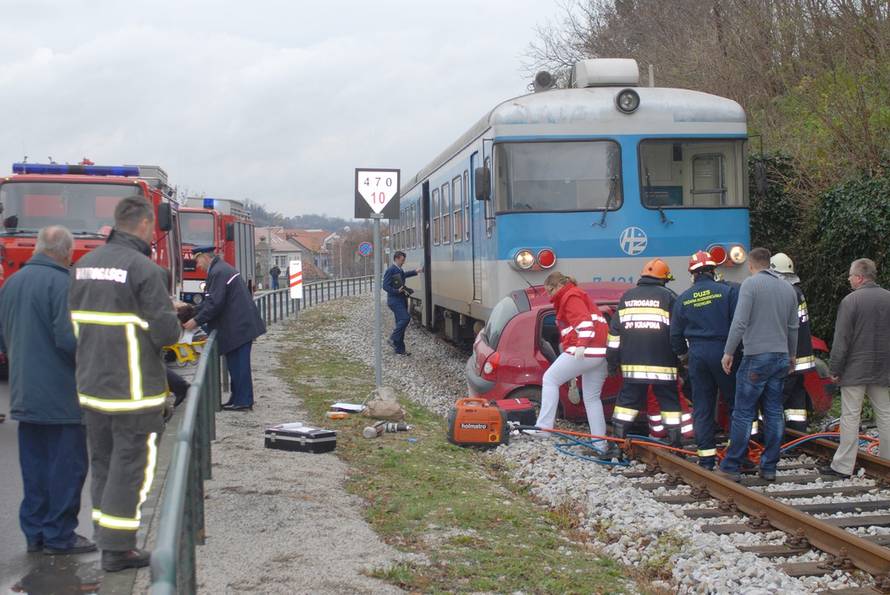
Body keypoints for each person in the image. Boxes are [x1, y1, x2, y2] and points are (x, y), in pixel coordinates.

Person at [69, 197, 181, 571]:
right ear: (147, 225)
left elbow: (73, 327)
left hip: (92, 384)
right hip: (133, 390)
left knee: (102, 462)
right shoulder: (145, 269)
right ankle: (119, 549)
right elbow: (167, 333)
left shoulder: (82, 266)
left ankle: (105, 535)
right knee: (131, 465)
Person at [0, 226, 95, 555]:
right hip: (61, 397)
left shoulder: (11, 284)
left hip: (25, 396)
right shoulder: (63, 285)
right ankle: (60, 536)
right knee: (67, 469)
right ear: (67, 253)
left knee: (35, 469)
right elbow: (69, 340)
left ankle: (35, 534)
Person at [717, 247, 798, 483]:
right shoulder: (787, 288)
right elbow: (793, 327)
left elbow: (740, 321)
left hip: (756, 356)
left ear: (751, 265)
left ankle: (731, 465)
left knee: (743, 412)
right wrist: (791, 355)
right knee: (774, 411)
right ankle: (769, 466)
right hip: (781, 356)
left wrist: (728, 351)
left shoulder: (751, 285)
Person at [670, 250, 739, 470]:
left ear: (693, 274)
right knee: (735, 403)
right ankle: (736, 454)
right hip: (724, 352)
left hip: (698, 355)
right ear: (713, 271)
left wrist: (684, 357)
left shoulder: (683, 299)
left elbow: (675, 335)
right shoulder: (727, 293)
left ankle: (706, 459)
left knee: (702, 406)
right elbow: (739, 325)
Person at [822, 258, 890, 478]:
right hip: (882, 367)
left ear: (860, 277)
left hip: (854, 369)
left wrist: (835, 368)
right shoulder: (888, 298)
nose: (849, 279)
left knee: (850, 416)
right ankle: (886, 461)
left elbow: (842, 339)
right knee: (886, 415)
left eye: (851, 275)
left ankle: (843, 466)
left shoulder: (851, 301)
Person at [607, 258, 684, 447]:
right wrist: (682, 358)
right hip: (663, 366)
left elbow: (614, 335)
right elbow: (677, 332)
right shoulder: (669, 297)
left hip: (632, 366)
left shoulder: (627, 297)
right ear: (664, 279)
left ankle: (617, 446)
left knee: (626, 405)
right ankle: (676, 445)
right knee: (670, 406)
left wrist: (612, 362)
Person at [531, 272, 610, 454]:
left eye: (549, 291)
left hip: (585, 351)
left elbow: (585, 325)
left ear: (557, 286)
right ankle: (600, 444)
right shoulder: (577, 293)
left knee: (550, 379)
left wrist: (581, 346)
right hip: (600, 353)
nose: (550, 296)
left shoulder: (570, 296)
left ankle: (543, 428)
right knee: (592, 398)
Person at [184, 246, 266, 411]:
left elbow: (215, 304)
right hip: (237, 325)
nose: (198, 265)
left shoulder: (218, 272)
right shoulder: (219, 270)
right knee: (234, 365)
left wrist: (196, 321)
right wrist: (192, 310)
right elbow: (210, 301)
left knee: (239, 366)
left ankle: (243, 401)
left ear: (205, 257)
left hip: (238, 326)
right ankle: (237, 398)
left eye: (198, 261)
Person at [769, 252, 815, 432]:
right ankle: (798, 433)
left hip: (790, 357)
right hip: (802, 358)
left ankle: (774, 436)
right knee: (796, 398)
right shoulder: (797, 291)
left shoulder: (786, 293)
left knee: (776, 397)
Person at [382, 251, 422, 356]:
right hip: (395, 301)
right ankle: (392, 338)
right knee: (405, 318)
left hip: (401, 299)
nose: (403, 262)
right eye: (402, 260)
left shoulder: (398, 269)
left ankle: (400, 349)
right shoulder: (391, 270)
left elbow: (404, 275)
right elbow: (385, 286)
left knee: (401, 325)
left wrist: (415, 271)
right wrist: (396, 291)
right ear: (397, 258)